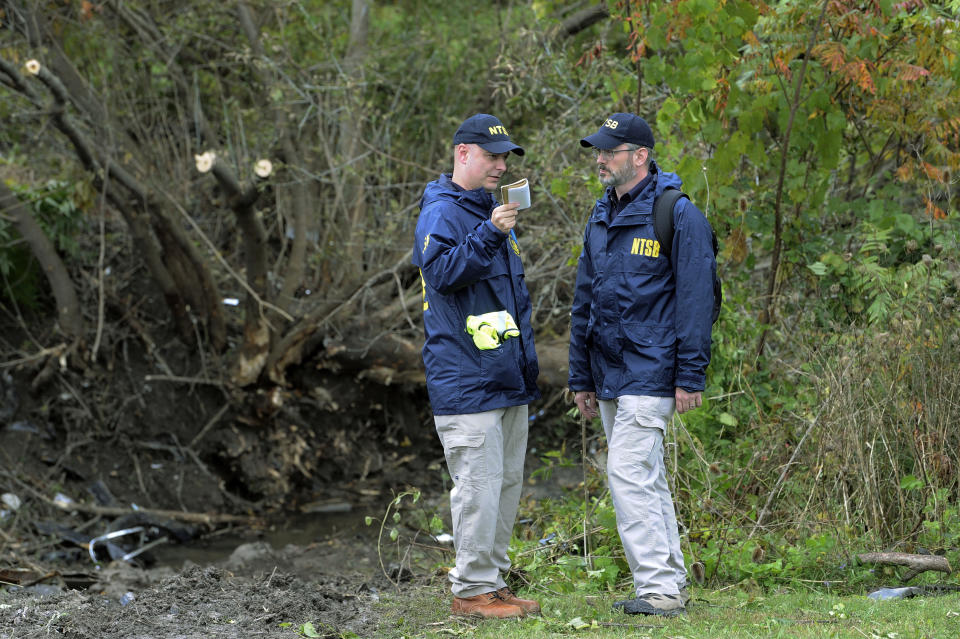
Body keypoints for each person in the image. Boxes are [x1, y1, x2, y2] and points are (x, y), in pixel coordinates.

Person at [567, 113, 717, 617]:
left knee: (627, 472)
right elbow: (583, 299)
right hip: (609, 372)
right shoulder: (601, 214)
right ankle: (669, 582)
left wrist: (690, 375)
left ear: (640, 156)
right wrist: (580, 376)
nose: (600, 159)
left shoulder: (677, 214)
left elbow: (698, 301)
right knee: (645, 476)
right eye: (599, 150)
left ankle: (657, 589)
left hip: (653, 369)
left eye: (610, 151)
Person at [413, 113, 541, 619]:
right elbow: (441, 273)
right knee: (478, 488)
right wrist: (489, 233)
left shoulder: (489, 210)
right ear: (462, 153)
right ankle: (470, 592)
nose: (500, 165)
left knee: (504, 485)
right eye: (491, 156)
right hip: (466, 379)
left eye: (505, 156)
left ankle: (491, 581)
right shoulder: (443, 212)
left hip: (504, 375)